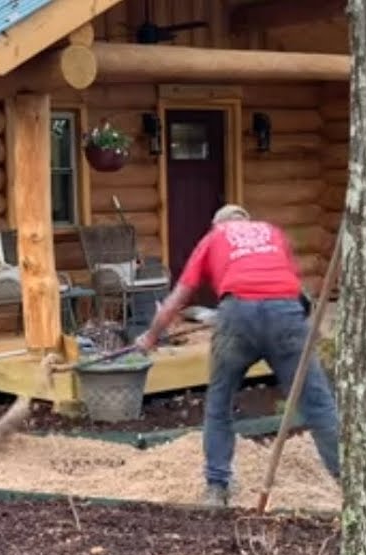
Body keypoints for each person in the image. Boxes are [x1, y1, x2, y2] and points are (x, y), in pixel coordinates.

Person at [134, 204, 341, 508]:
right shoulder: (272, 233)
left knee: (219, 403)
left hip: (237, 315)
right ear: (246, 221)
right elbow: (295, 292)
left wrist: (150, 337)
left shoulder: (213, 238)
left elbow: (177, 298)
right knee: (318, 404)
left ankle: (217, 489)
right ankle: (351, 484)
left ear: (217, 225)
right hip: (286, 313)